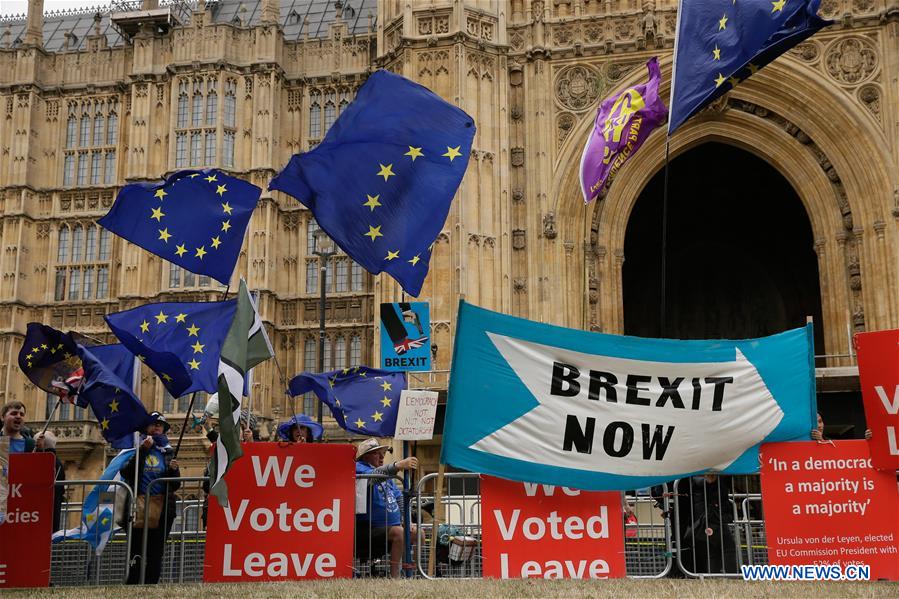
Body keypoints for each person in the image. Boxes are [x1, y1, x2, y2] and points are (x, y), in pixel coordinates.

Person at [120, 412, 181, 585]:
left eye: (160, 425)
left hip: (163, 508)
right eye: (153, 424)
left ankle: (150, 586)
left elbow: (175, 485)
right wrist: (142, 451)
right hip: (138, 506)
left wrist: (173, 471)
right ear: (146, 428)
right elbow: (126, 472)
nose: (156, 427)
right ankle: (133, 585)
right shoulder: (136, 448)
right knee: (137, 549)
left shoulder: (168, 452)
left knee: (156, 552)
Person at [354, 438, 418, 578]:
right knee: (399, 532)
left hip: (388, 529)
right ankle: (395, 578)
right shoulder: (359, 468)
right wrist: (398, 465)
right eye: (377, 453)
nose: (382, 456)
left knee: (417, 532)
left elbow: (399, 497)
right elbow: (373, 478)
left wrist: (406, 520)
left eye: (383, 453)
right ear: (365, 456)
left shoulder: (385, 476)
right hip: (366, 530)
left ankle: (411, 572)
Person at [35, 430, 66, 532]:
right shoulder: (59, 463)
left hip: (39, 515)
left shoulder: (48, 461)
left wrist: (39, 451)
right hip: (53, 513)